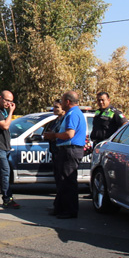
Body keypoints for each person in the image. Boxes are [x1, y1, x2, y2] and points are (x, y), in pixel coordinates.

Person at [45, 91, 87, 219]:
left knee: (68, 181)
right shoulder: (71, 113)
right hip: (66, 149)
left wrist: (54, 135)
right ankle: (60, 207)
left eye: (62, 101)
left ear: (67, 102)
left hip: (70, 149)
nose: (60, 103)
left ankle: (69, 211)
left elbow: (69, 134)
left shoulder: (73, 114)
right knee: (62, 181)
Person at [43, 101, 66, 215]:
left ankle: (61, 207)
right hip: (55, 152)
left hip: (61, 152)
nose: (54, 109)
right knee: (57, 180)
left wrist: (53, 136)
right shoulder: (55, 121)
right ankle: (58, 206)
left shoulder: (64, 120)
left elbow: (62, 135)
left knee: (62, 181)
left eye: (57, 107)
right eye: (54, 107)